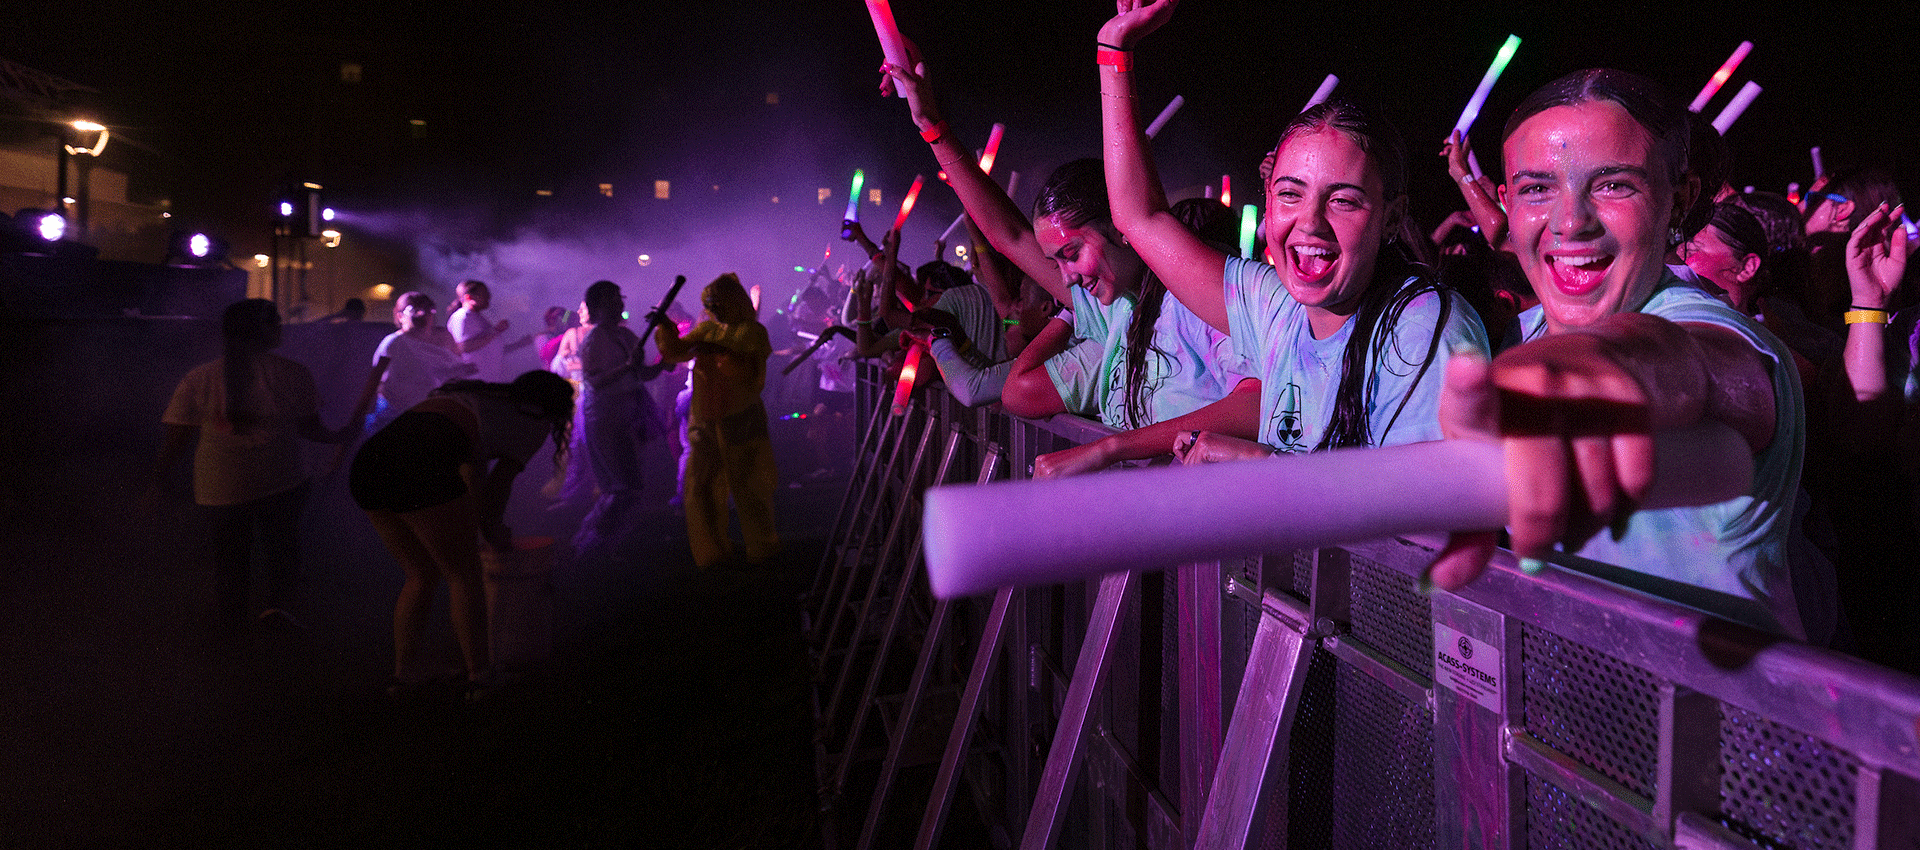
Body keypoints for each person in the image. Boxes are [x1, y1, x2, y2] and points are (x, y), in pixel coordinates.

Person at [1423, 68, 1835, 646]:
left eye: (1614, 185)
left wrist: (1591, 373)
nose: (1571, 222)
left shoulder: (1720, 331)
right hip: (1563, 715)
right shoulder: (1514, 339)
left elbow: (1698, 365)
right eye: (1538, 188)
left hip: (1716, 726)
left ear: (1681, 198)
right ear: (1506, 202)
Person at [1090, 0, 1485, 471]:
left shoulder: (1423, 328)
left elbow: (1429, 516)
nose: (1310, 222)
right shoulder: (1278, 311)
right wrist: (1115, 50)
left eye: (1344, 200)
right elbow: (1141, 218)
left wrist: (1266, 467)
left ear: (1393, 218)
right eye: (1290, 194)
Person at [881, 57, 1254, 475]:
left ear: (1121, 226)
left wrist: (1109, 449)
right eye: (1055, 262)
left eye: (1072, 253)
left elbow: (1259, 401)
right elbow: (1012, 238)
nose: (1067, 277)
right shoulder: (1111, 308)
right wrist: (934, 129)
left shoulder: (1195, 297)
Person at [348, 370, 574, 693]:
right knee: (464, 573)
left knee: (422, 574)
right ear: (553, 407)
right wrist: (495, 533)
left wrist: (484, 523)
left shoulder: (473, 399)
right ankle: (480, 677)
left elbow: (473, 480)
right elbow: (496, 487)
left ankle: (403, 677)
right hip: (419, 463)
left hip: (369, 463)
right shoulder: (534, 422)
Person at [155, 299, 356, 634]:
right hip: (282, 479)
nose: (281, 327)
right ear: (260, 331)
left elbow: (177, 438)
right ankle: (278, 613)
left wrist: (158, 479)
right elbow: (311, 428)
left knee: (230, 559)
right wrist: (340, 435)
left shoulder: (200, 377)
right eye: (275, 321)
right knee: (282, 549)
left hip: (220, 486)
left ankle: (231, 627)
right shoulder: (292, 373)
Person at [652, 274, 780, 568]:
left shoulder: (752, 332)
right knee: (702, 488)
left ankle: (762, 549)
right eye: (711, 304)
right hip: (706, 420)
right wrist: (666, 326)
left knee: (752, 487)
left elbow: (745, 368)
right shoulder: (707, 330)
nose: (716, 309)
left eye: (719, 303)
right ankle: (712, 554)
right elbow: (675, 352)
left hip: (742, 419)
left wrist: (716, 352)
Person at [574, 280, 669, 550]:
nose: (619, 304)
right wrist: (627, 367)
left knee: (632, 486)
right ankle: (589, 545)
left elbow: (643, 374)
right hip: (604, 418)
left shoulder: (626, 336)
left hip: (630, 415)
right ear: (596, 307)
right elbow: (595, 382)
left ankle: (612, 544)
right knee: (620, 488)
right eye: (611, 300)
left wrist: (664, 362)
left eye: (619, 297)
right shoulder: (593, 340)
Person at [350, 291, 476, 432]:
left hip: (426, 417)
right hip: (392, 418)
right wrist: (356, 418)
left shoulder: (440, 341)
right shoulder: (393, 343)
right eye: (415, 310)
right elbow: (373, 381)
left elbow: (447, 375)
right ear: (400, 316)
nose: (422, 315)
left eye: (427, 309)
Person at [448, 280, 527, 382]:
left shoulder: (478, 317)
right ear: (469, 298)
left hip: (488, 381)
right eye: (484, 294)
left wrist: (519, 344)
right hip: (474, 383)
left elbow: (489, 349)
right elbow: (463, 347)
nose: (488, 297)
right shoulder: (462, 317)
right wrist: (496, 331)